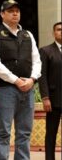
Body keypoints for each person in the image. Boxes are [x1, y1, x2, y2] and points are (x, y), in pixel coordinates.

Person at [0, 0, 41, 160]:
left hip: (28, 89)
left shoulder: (28, 35)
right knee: (4, 131)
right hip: (6, 89)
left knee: (24, 131)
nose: (15, 13)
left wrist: (32, 79)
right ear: (2, 14)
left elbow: (37, 61)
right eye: (10, 11)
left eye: (17, 10)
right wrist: (16, 81)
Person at [38, 21, 62, 160]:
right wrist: (45, 97)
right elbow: (42, 76)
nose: (61, 32)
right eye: (59, 29)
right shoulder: (46, 51)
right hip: (53, 99)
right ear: (53, 33)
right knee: (51, 133)